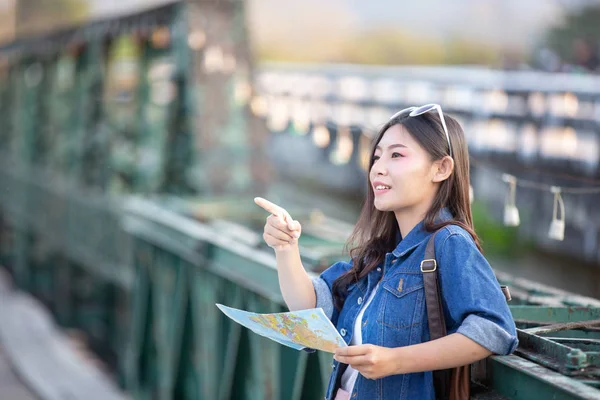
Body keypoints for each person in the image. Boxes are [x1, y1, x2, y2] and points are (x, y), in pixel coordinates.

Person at [254, 104, 518, 400]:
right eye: (377, 155)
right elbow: (312, 312)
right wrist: (286, 248)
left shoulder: (449, 242)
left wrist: (395, 361)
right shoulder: (378, 255)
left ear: (441, 168)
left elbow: (494, 327)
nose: (378, 167)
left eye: (396, 155)